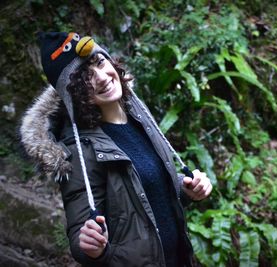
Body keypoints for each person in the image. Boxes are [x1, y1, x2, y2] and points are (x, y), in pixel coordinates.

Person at [20, 32, 212, 267]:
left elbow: (145, 191)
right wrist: (92, 247)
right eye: (85, 78)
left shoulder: (138, 116)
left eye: (100, 62)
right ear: (73, 95)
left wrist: (185, 188)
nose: (101, 77)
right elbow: (81, 237)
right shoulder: (81, 149)